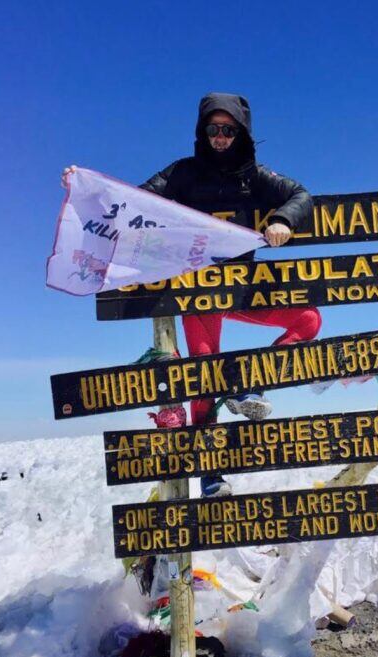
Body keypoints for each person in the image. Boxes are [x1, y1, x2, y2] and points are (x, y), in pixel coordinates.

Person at [63, 93, 321, 496]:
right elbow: (133, 201)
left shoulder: (255, 176)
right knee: (202, 375)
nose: (220, 137)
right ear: (203, 132)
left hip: (242, 290)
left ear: (242, 132)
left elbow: (301, 195)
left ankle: (248, 382)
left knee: (308, 320)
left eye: (229, 130)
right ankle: (210, 472)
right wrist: (87, 190)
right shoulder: (182, 173)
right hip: (196, 294)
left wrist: (284, 220)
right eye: (213, 129)